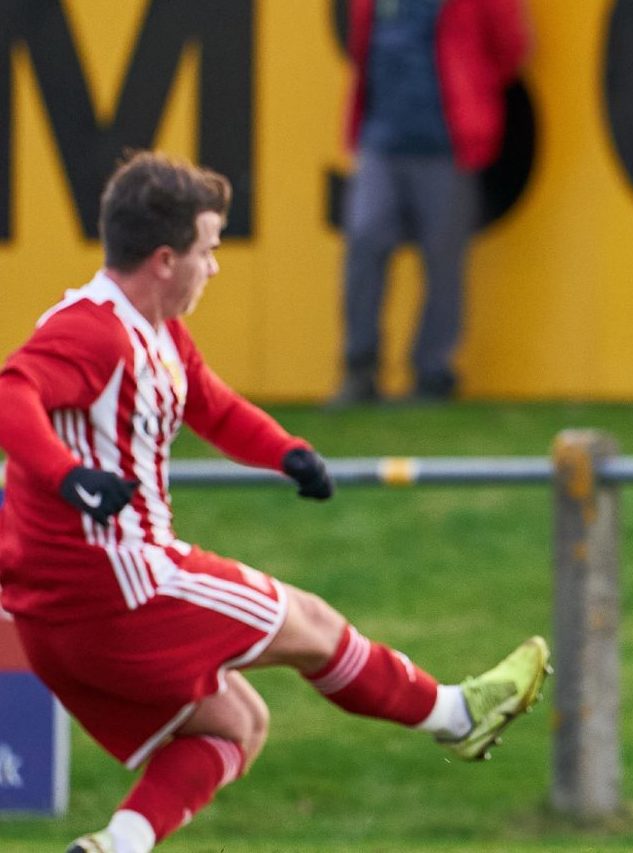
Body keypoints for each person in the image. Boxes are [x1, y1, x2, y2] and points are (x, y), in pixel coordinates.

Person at [0, 151, 550, 853]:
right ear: (165, 259)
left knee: (236, 723)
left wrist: (287, 452)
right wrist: (70, 474)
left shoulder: (156, 332)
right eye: (208, 250)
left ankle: (115, 845)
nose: (214, 266)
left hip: (55, 618)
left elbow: (214, 407)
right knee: (314, 624)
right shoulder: (94, 330)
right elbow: (12, 392)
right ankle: (453, 714)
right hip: (119, 588)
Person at [332, 0, 531, 406]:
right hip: (382, 138)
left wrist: (473, 88)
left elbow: (511, 48)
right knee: (365, 240)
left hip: (448, 143)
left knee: (443, 259)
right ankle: (360, 366)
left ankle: (433, 371)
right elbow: (361, 44)